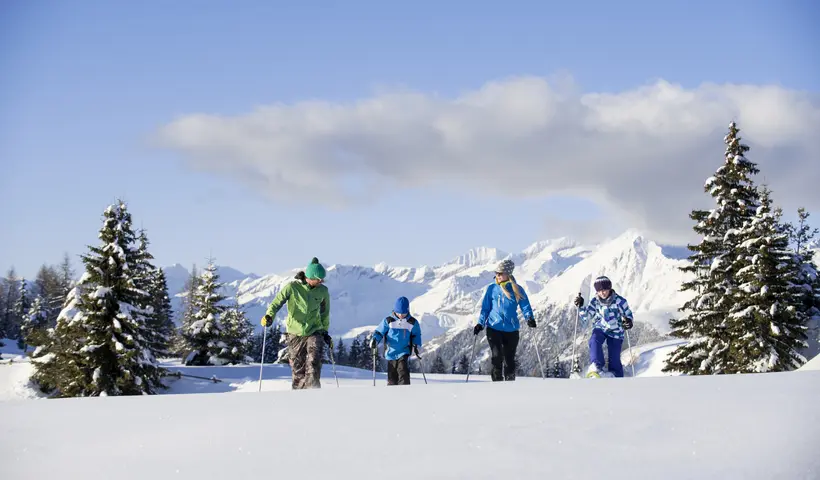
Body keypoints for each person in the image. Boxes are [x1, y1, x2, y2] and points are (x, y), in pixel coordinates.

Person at [261, 257, 331, 389]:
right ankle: (299, 400)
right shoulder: (292, 288)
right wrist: (269, 315)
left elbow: (325, 313)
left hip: (314, 330)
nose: (321, 282)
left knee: (314, 363)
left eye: (322, 279)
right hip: (294, 332)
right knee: (298, 370)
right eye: (318, 279)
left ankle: (314, 395)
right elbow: (277, 302)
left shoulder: (323, 291)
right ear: (309, 277)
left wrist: (325, 331)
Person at [472, 259, 536, 381]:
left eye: (501, 273)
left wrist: (529, 318)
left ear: (508, 274)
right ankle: (497, 385)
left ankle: (509, 387)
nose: (498, 275)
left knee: (509, 359)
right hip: (493, 328)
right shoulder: (492, 289)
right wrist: (480, 323)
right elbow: (485, 309)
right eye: (497, 273)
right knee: (496, 357)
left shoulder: (517, 289)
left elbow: (525, 306)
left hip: (511, 329)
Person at [573, 275, 634, 378]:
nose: (602, 293)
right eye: (599, 291)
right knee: (594, 340)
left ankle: (616, 375)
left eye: (605, 289)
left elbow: (628, 314)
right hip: (600, 328)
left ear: (609, 288)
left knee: (614, 358)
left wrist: (628, 321)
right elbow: (587, 316)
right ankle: (597, 367)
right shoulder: (595, 301)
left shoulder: (620, 301)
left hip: (616, 331)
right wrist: (581, 306)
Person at [370, 296, 422, 386]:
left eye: (404, 313)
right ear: (395, 310)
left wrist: (416, 345)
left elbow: (416, 334)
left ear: (407, 311)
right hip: (391, 352)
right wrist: (375, 340)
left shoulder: (412, 322)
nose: (401, 315)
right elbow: (379, 332)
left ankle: (405, 391)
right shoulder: (388, 321)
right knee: (392, 375)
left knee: (403, 371)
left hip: (404, 350)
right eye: (399, 313)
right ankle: (392, 392)